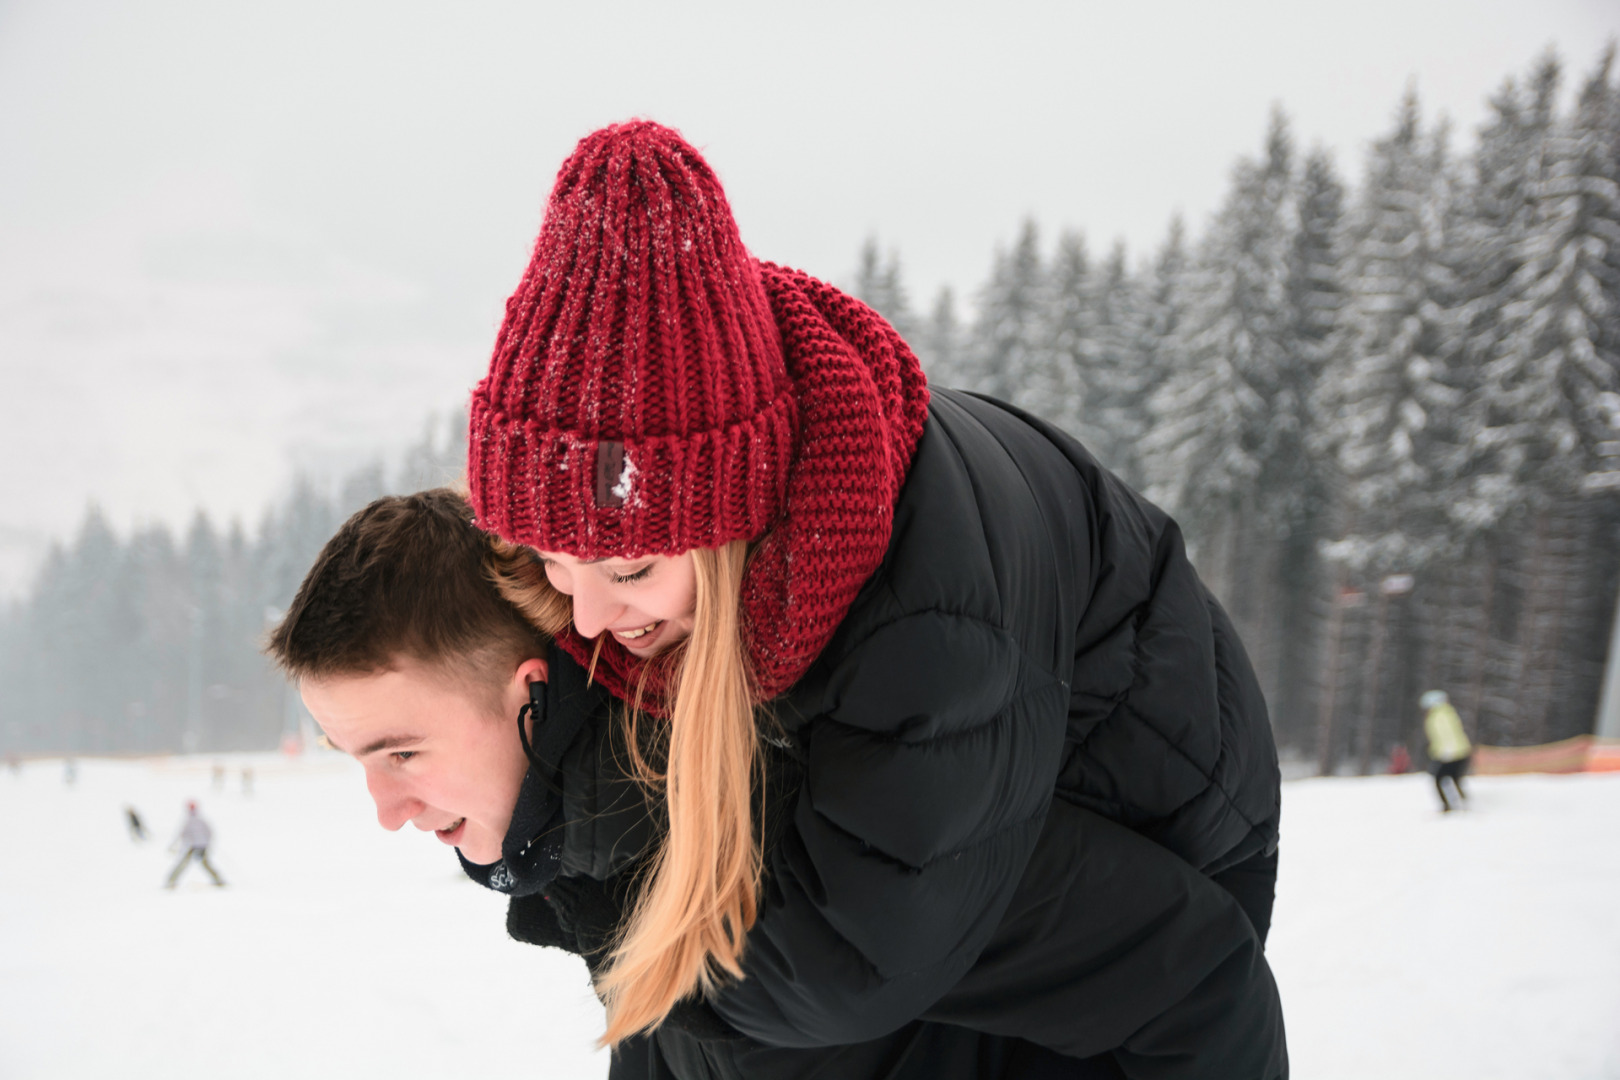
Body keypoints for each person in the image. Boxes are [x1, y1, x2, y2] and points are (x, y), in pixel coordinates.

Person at [454, 120, 1286, 1078]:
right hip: (947, 833)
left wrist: (587, 890)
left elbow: (848, 962)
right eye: (557, 566)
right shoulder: (698, 575)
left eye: (631, 570)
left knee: (760, 997)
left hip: (1142, 851)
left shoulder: (924, 620)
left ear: (744, 517)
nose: (591, 619)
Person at [1421, 690, 1472, 812]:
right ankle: (1464, 802)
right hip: (1461, 751)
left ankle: (1448, 806)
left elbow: (1446, 735)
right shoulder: (1447, 712)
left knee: (1439, 779)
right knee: (1454, 778)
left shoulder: (1438, 716)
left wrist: (1446, 752)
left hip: (1452, 753)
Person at [165, 801, 226, 888]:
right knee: (205, 864)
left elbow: (182, 834)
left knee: (184, 863)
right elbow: (209, 832)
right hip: (201, 846)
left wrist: (174, 844)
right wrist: (207, 842)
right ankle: (218, 880)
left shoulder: (189, 821)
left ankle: (171, 881)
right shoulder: (200, 820)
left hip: (195, 846)